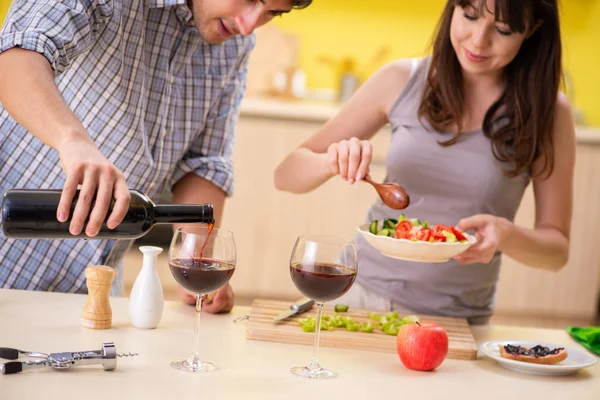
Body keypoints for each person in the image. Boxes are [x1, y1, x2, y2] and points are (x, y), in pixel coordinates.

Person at [274, 0, 575, 324]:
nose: (478, 39)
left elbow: (556, 251)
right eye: (469, 15)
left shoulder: (549, 112)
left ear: (532, 29)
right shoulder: (401, 79)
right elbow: (286, 174)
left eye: (502, 29)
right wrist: (331, 163)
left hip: (458, 320)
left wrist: (505, 235)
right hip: (360, 300)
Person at [0, 0, 312, 313]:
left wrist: (195, 259)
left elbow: (203, 161)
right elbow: (16, 56)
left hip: (92, 295)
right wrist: (72, 140)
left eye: (273, 12)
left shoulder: (235, 44)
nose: (248, 25)